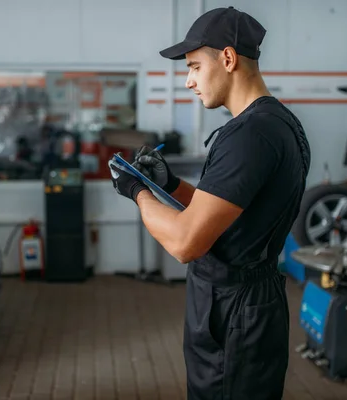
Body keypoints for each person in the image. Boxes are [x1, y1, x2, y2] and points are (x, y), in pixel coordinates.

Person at [108, 6, 311, 400]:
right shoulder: (278, 123)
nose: (188, 81)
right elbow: (225, 210)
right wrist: (167, 183)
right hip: (251, 303)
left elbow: (186, 242)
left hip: (232, 315)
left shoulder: (249, 135)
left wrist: (137, 190)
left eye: (195, 67)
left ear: (229, 58)